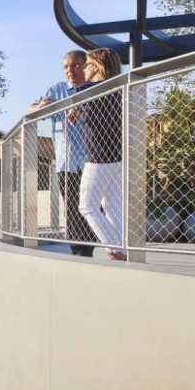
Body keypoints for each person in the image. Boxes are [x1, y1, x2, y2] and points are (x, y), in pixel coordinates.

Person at [29, 50, 96, 257]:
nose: (70, 70)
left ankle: (91, 248)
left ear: (86, 66)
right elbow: (30, 109)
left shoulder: (97, 88)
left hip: (92, 161)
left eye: (75, 65)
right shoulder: (56, 90)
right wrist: (40, 107)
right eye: (66, 67)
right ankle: (79, 252)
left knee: (92, 209)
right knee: (73, 211)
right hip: (66, 163)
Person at [75, 47, 126, 261]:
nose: (83, 69)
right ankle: (124, 251)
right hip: (117, 156)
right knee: (110, 206)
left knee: (87, 205)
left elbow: (78, 95)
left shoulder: (88, 89)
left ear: (95, 67)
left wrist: (72, 108)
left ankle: (116, 251)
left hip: (99, 156)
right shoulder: (118, 89)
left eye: (86, 64)